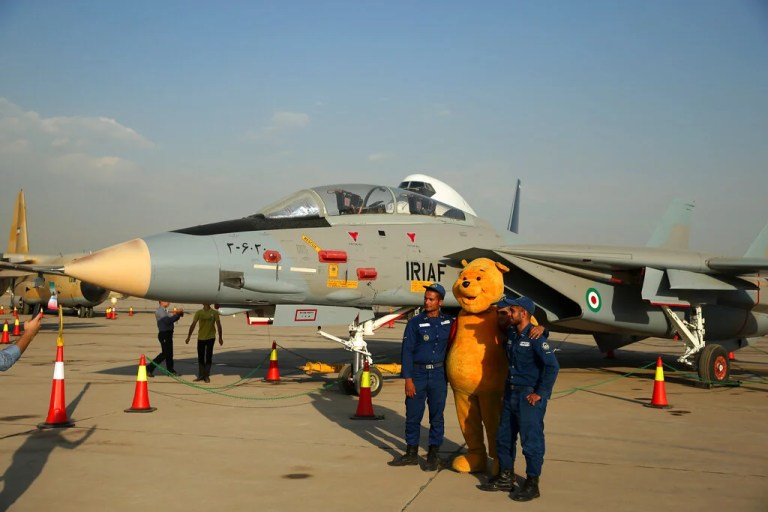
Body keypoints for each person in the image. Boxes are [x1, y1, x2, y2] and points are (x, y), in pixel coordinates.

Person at [479, 296, 558, 501]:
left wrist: (540, 393)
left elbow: (552, 367)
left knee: (531, 441)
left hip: (528, 397)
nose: (508, 313)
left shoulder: (536, 338)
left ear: (523, 313)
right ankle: (505, 476)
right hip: (511, 393)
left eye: (512, 311)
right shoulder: (513, 333)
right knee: (504, 437)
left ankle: (532, 482)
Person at [389, 283, 454, 471]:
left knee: (437, 416)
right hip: (417, 374)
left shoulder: (449, 322)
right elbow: (407, 352)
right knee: (413, 416)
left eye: (431, 299)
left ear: (440, 302)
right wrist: (408, 379)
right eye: (426, 298)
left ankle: (433, 454)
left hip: (438, 375)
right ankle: (411, 453)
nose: (427, 301)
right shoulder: (415, 323)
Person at [185, 304, 223, 383]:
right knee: (200, 357)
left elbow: (219, 325)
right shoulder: (199, 313)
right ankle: (201, 375)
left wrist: (220, 338)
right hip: (201, 338)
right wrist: (188, 336)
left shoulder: (214, 313)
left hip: (210, 337)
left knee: (208, 356)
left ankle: (206, 375)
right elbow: (193, 325)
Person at [148, 301, 183, 377]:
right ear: (161, 302)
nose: (168, 302)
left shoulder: (165, 311)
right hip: (164, 334)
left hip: (168, 334)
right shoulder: (160, 311)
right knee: (165, 353)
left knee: (169, 354)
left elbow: (170, 319)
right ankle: (149, 368)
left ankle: (170, 370)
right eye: (166, 301)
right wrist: (177, 315)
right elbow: (168, 321)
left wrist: (176, 315)